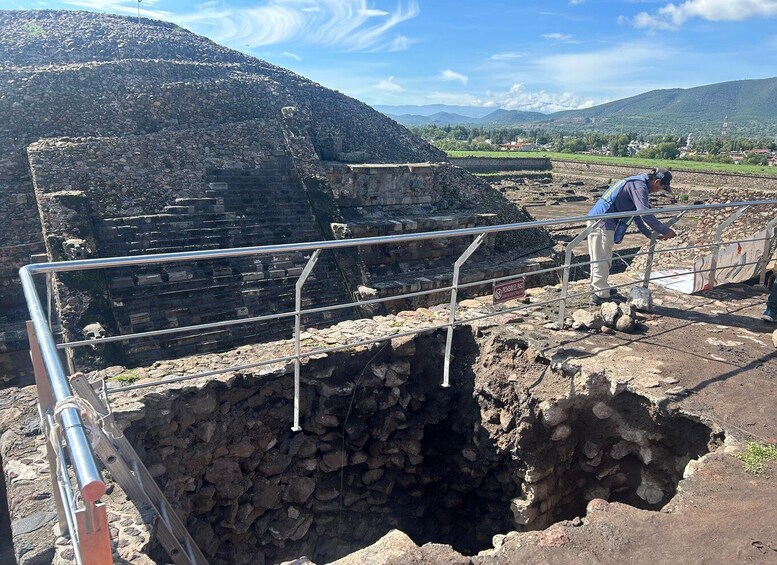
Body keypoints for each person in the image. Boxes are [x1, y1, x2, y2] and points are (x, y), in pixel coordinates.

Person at [587, 168, 678, 304]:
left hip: (602, 221)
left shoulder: (637, 184)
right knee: (602, 258)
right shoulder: (639, 186)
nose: (659, 191)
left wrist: (649, 234)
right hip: (601, 222)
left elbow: (635, 215)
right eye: (662, 188)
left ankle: (598, 286)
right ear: (657, 181)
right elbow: (644, 213)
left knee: (601, 257)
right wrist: (665, 230)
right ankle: (600, 295)